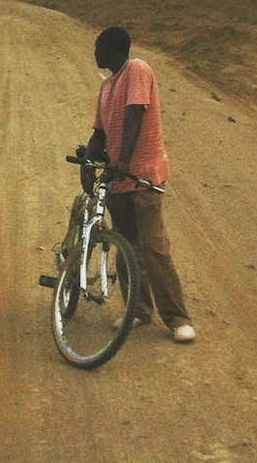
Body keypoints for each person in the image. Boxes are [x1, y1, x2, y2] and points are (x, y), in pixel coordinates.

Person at [85, 26, 195, 343]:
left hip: (142, 176)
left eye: (97, 47)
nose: (94, 54)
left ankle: (177, 319)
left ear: (109, 48)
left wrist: (122, 161)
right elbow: (99, 134)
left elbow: (135, 113)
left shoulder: (137, 69)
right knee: (127, 248)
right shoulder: (106, 87)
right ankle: (139, 310)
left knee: (154, 247)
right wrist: (89, 165)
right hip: (118, 183)